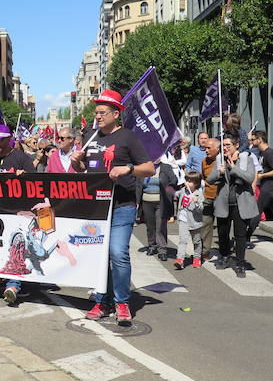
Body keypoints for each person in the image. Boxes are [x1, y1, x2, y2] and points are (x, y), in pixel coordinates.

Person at [70, 90, 154, 322]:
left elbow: (149, 168)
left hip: (122, 205)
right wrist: (78, 163)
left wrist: (128, 169)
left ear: (116, 114)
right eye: (96, 112)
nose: (97, 116)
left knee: (118, 253)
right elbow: (85, 171)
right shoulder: (92, 136)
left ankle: (122, 303)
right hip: (97, 208)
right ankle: (102, 302)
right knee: (98, 256)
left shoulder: (128, 138)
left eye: (102, 112)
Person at [0, 125, 37, 304]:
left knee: (17, 247)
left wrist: (25, 177)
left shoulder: (21, 158)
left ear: (8, 139)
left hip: (18, 213)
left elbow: (36, 183)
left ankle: (13, 285)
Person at [208, 133, 257, 278]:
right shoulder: (219, 160)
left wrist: (234, 168)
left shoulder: (246, 159)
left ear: (236, 146)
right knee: (223, 233)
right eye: (223, 145)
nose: (225, 148)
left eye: (228, 145)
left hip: (240, 204)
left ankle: (240, 263)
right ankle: (224, 257)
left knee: (240, 235)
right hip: (224, 203)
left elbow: (249, 177)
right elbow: (209, 180)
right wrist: (219, 172)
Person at [138, 162, 175, 261]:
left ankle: (162, 250)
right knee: (150, 226)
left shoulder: (166, 167)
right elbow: (138, 184)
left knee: (160, 226)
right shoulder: (144, 167)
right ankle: (152, 246)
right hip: (146, 201)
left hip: (161, 201)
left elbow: (174, 180)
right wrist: (137, 201)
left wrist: (168, 188)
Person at [173, 171, 204, 269]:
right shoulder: (183, 190)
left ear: (196, 183)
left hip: (195, 222)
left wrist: (197, 202)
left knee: (196, 241)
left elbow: (201, 210)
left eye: (190, 181)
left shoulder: (199, 195)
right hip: (183, 219)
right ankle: (180, 259)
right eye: (187, 180)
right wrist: (170, 190)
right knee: (182, 240)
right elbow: (176, 194)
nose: (187, 183)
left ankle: (197, 258)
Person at [200, 136, 221, 259]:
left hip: (221, 198)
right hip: (208, 196)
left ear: (217, 149)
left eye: (209, 148)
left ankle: (225, 249)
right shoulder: (204, 161)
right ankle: (205, 251)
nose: (206, 150)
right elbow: (203, 178)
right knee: (205, 225)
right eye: (205, 148)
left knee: (223, 226)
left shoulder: (222, 161)